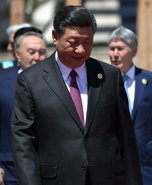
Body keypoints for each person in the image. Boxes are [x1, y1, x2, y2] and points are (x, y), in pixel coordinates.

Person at [11, 5, 142, 185]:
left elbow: (126, 137)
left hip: (107, 178)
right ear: (55, 37)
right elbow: (23, 141)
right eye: (73, 42)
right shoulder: (31, 80)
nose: (80, 50)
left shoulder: (109, 76)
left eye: (87, 42)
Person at [107, 26, 152, 185]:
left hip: (146, 162)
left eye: (120, 48)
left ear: (134, 51)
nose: (115, 54)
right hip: (113, 162)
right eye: (112, 49)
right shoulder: (102, 82)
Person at [0, 26, 47, 185]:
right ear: (18, 55)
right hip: (9, 171)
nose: (37, 57)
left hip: (49, 171)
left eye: (42, 52)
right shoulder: (2, 81)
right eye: (31, 52)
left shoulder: (59, 82)